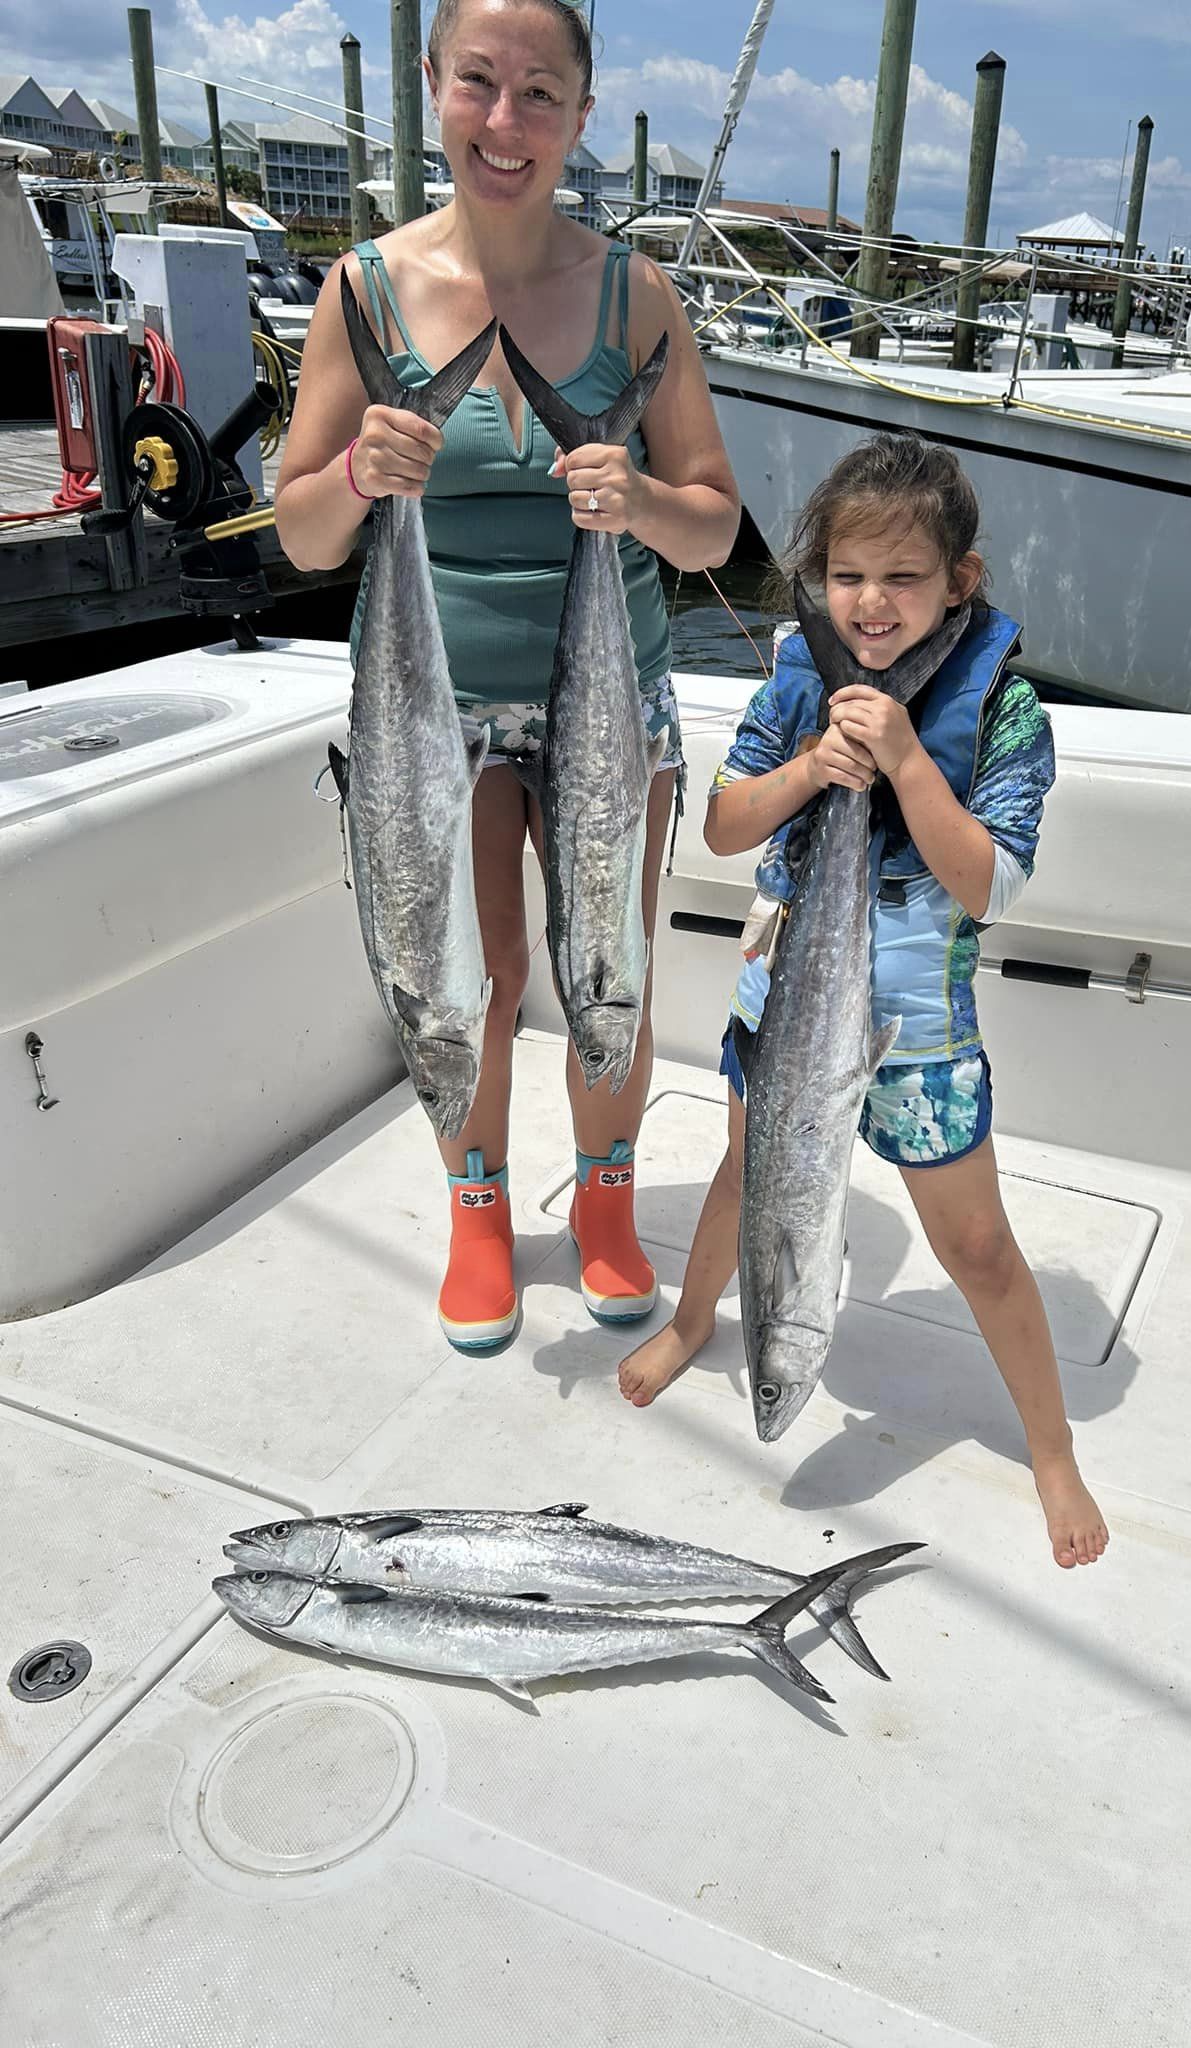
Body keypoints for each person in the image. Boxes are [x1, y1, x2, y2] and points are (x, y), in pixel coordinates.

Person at [274, 0, 740, 1353]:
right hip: (427, 702)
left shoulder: (634, 297)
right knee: (464, 965)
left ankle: (604, 1210)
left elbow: (716, 525)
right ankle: (478, 1209)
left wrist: (642, 496)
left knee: (614, 961)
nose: (506, 120)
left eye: (541, 92)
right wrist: (361, 472)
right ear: (434, 88)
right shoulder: (360, 292)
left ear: (582, 114)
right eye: (480, 82)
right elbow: (305, 533)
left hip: (609, 695)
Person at [618, 434, 1108, 1570]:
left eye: (904, 578)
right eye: (847, 578)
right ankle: (697, 1321)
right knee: (749, 1169)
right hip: (786, 1000)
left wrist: (903, 758)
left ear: (960, 583)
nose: (872, 603)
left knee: (977, 1243)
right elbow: (725, 824)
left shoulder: (1008, 711)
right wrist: (814, 769)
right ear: (820, 579)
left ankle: (1048, 1443)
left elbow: (990, 878)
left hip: (918, 1031)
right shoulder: (799, 682)